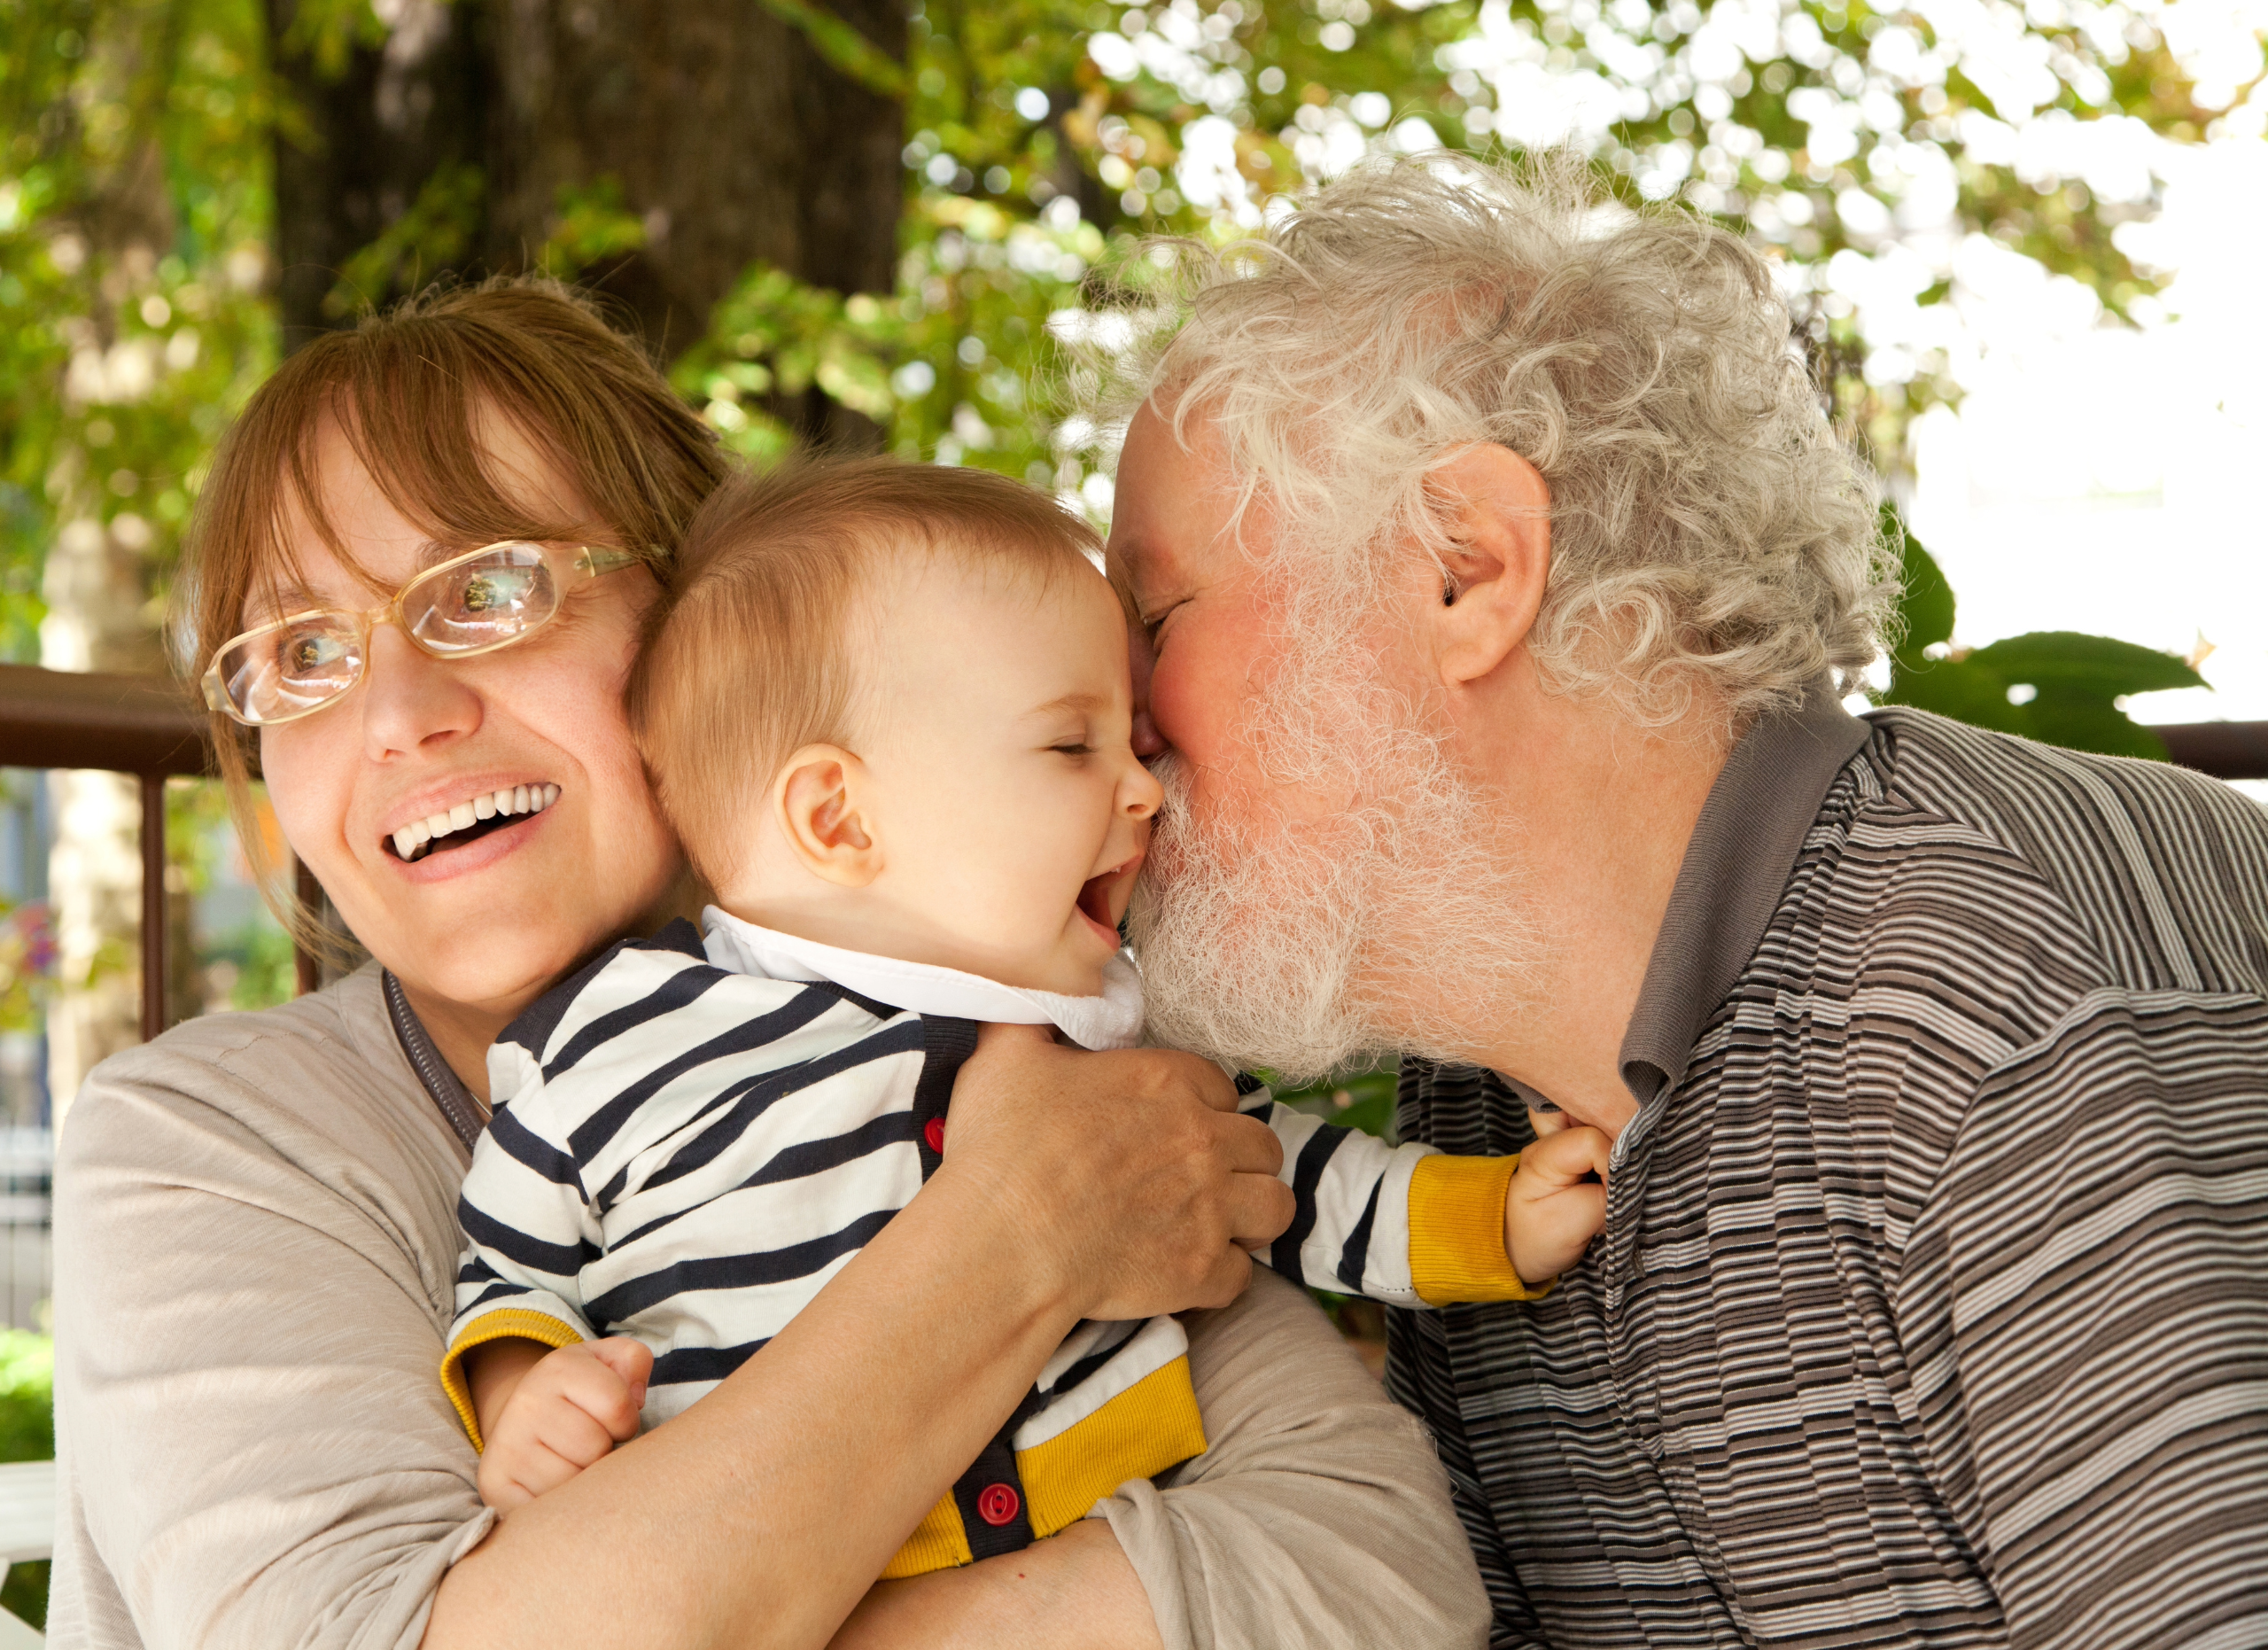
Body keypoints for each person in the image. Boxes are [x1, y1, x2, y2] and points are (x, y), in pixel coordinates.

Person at [48, 280, 1493, 1650]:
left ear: (691, 619)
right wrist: (1014, 1235)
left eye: (488, 588)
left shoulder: (1009, 1026)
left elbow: (1379, 1572)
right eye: (301, 654)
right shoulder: (207, 1146)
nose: (399, 712)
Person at [1099, 154, 2268, 1650]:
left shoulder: (1986, 981)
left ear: (1467, 568)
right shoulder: (1480, 1105)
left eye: (1151, 616)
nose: (1112, 720)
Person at [441, 460, 1614, 1551]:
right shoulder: (618, 1037)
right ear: (841, 822)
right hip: (770, 1558)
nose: (1140, 786)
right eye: (1071, 743)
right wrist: (522, 1388)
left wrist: (1484, 1219)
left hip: (1090, 1545)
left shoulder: (1096, 1034)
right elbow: (512, 1258)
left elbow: (1275, 1174)